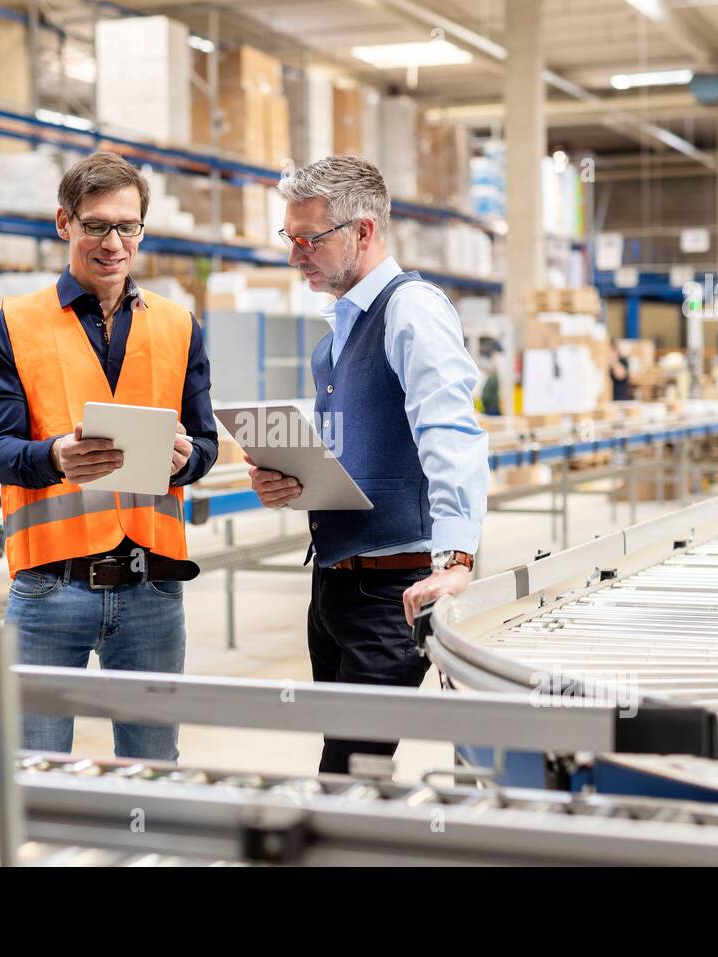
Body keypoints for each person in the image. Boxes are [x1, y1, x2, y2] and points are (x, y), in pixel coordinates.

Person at [247, 155, 489, 775]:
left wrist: (456, 559)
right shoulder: (336, 336)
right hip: (334, 587)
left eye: (310, 239)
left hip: (394, 590)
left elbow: (451, 430)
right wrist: (293, 482)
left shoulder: (412, 310)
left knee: (345, 777)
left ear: (363, 231)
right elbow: (364, 456)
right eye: (289, 238)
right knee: (359, 774)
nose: (296, 254)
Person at [0, 151, 218, 761]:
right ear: (65, 224)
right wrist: (54, 456)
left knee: (152, 772)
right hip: (48, 591)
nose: (113, 243)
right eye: (96, 225)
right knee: (32, 775)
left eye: (127, 226)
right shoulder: (13, 324)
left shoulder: (178, 325)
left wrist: (185, 460)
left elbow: (206, 445)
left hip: (153, 590)